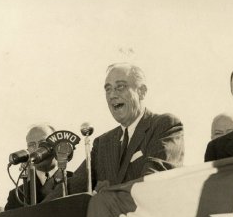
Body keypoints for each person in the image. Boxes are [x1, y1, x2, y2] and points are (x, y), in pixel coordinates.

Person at [44, 62, 184, 199]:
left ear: (141, 92)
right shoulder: (103, 143)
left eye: (120, 87)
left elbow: (153, 181)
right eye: (108, 89)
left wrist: (107, 194)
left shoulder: (165, 125)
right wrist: (33, 214)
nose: (112, 95)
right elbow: (71, 188)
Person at [4, 124, 72, 210]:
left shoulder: (73, 180)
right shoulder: (18, 196)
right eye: (32, 145)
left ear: (56, 145)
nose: (37, 148)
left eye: (43, 143)